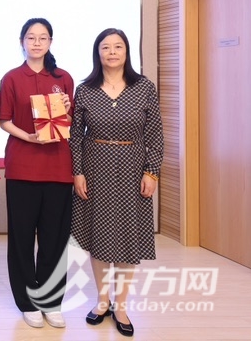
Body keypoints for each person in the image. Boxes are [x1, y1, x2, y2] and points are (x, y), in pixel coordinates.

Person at [70, 28, 163, 338]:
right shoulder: (85, 89)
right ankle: (102, 301)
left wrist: (151, 171)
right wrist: (78, 172)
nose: (112, 52)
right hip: (94, 168)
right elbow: (75, 136)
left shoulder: (143, 87)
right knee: (99, 236)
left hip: (132, 169)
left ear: (126, 51)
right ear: (97, 53)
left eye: (118, 46)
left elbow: (155, 133)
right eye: (106, 47)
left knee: (127, 237)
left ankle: (120, 306)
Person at [0, 17, 74, 329]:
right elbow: (4, 120)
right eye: (31, 37)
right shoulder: (12, 78)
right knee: (22, 238)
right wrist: (27, 136)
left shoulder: (63, 78)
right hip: (23, 167)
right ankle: (27, 301)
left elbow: (71, 121)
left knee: (55, 239)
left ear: (50, 42)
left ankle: (51, 301)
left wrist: (66, 106)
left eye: (43, 37)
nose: (37, 42)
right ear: (22, 42)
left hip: (58, 168)